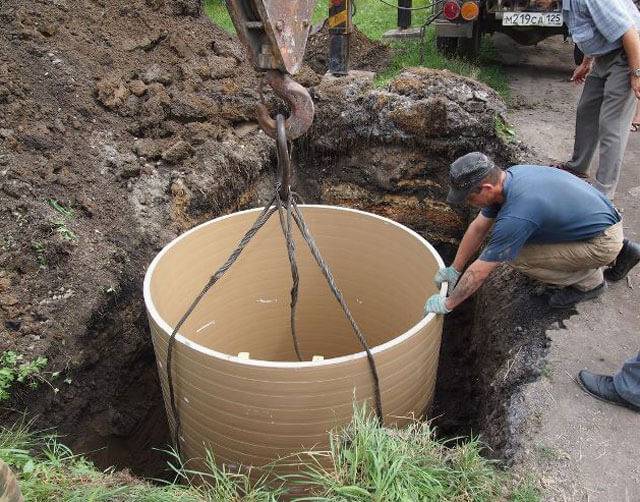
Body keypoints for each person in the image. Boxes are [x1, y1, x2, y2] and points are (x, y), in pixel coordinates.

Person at [424, 152, 640, 315]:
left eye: (469, 198)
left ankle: (591, 282)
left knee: (515, 257)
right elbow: (478, 227)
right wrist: (454, 269)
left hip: (601, 240)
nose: (469, 203)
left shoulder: (517, 213)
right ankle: (622, 251)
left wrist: (448, 304)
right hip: (598, 222)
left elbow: (481, 272)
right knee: (507, 243)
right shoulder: (511, 177)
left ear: (486, 188)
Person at [537, 0, 640, 198]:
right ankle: (578, 166)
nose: (535, 4)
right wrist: (586, 62)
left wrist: (636, 74)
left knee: (612, 124)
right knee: (587, 110)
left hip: (628, 55)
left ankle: (603, 192)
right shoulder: (566, 3)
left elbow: (630, 33)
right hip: (604, 55)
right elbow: (590, 30)